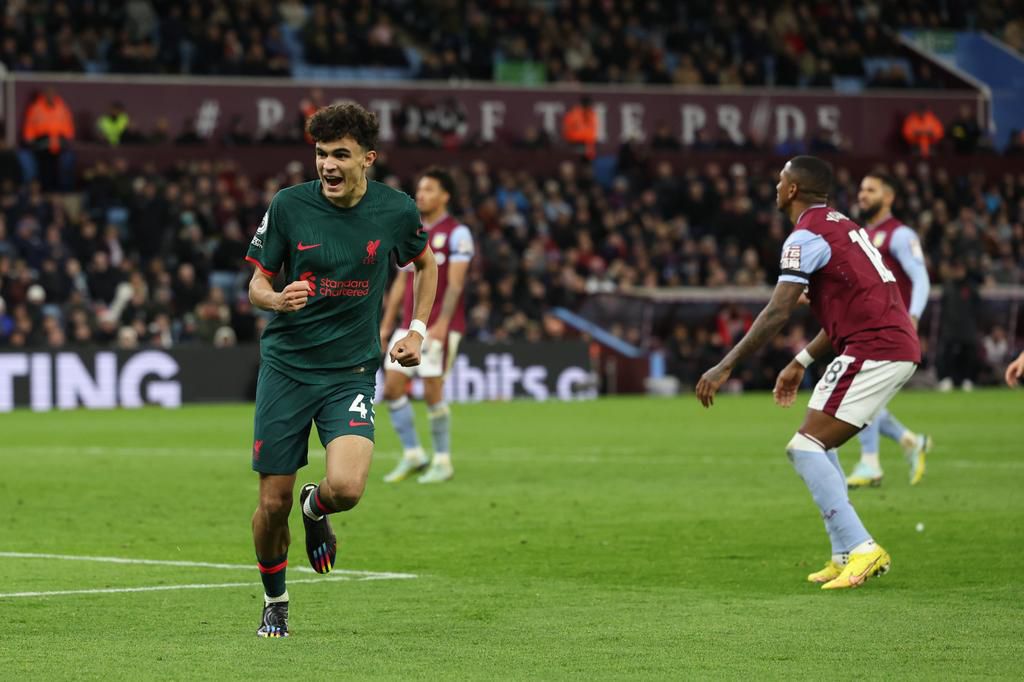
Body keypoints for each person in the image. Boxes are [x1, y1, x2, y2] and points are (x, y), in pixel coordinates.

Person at [244, 103, 438, 638]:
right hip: (287, 368)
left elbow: (425, 262)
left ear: (367, 159)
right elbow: (257, 283)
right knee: (270, 502)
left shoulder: (395, 211)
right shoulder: (289, 206)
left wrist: (417, 329)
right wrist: (277, 299)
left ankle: (317, 505)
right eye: (321, 154)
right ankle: (276, 599)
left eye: (340, 155)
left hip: (350, 369)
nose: (327, 165)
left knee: (348, 488)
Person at [696, 156, 920, 590]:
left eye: (780, 180)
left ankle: (862, 548)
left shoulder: (806, 235)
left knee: (804, 447)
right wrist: (800, 361)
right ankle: (842, 554)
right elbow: (843, 310)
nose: (776, 187)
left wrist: (725, 366)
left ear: (793, 189)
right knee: (822, 442)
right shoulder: (843, 227)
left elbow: (779, 308)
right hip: (879, 343)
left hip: (875, 347)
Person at [379, 167, 474, 484]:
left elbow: (456, 285)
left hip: (437, 326)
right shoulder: (412, 231)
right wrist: (386, 324)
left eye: (429, 189)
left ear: (445, 196)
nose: (421, 195)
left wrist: (444, 323)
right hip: (408, 325)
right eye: (420, 189)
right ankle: (413, 454)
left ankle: (443, 460)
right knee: (393, 386)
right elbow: (400, 282)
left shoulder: (458, 233)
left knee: (433, 390)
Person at [846, 174, 933, 489]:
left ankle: (870, 462)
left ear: (889, 197)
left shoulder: (900, 234)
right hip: (868, 328)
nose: (863, 195)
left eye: (871, 190)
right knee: (865, 397)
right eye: (861, 189)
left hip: (893, 329)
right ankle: (911, 441)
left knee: (860, 393)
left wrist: (914, 315)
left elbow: (920, 278)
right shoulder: (863, 235)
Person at [21, 87, 75, 191]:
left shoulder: (62, 107)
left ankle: (57, 190)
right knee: (44, 167)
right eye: (48, 93)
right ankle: (45, 189)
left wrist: (68, 137)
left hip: (59, 142)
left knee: (59, 168)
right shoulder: (36, 107)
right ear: (44, 94)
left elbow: (68, 123)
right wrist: (29, 139)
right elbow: (30, 125)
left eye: (52, 93)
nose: (50, 95)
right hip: (42, 141)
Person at [562, 96, 598, 160]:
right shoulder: (574, 114)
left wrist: (590, 145)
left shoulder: (591, 114)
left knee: (587, 164)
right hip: (576, 143)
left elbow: (592, 131)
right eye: (588, 104)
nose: (589, 106)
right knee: (577, 162)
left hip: (588, 144)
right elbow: (567, 130)